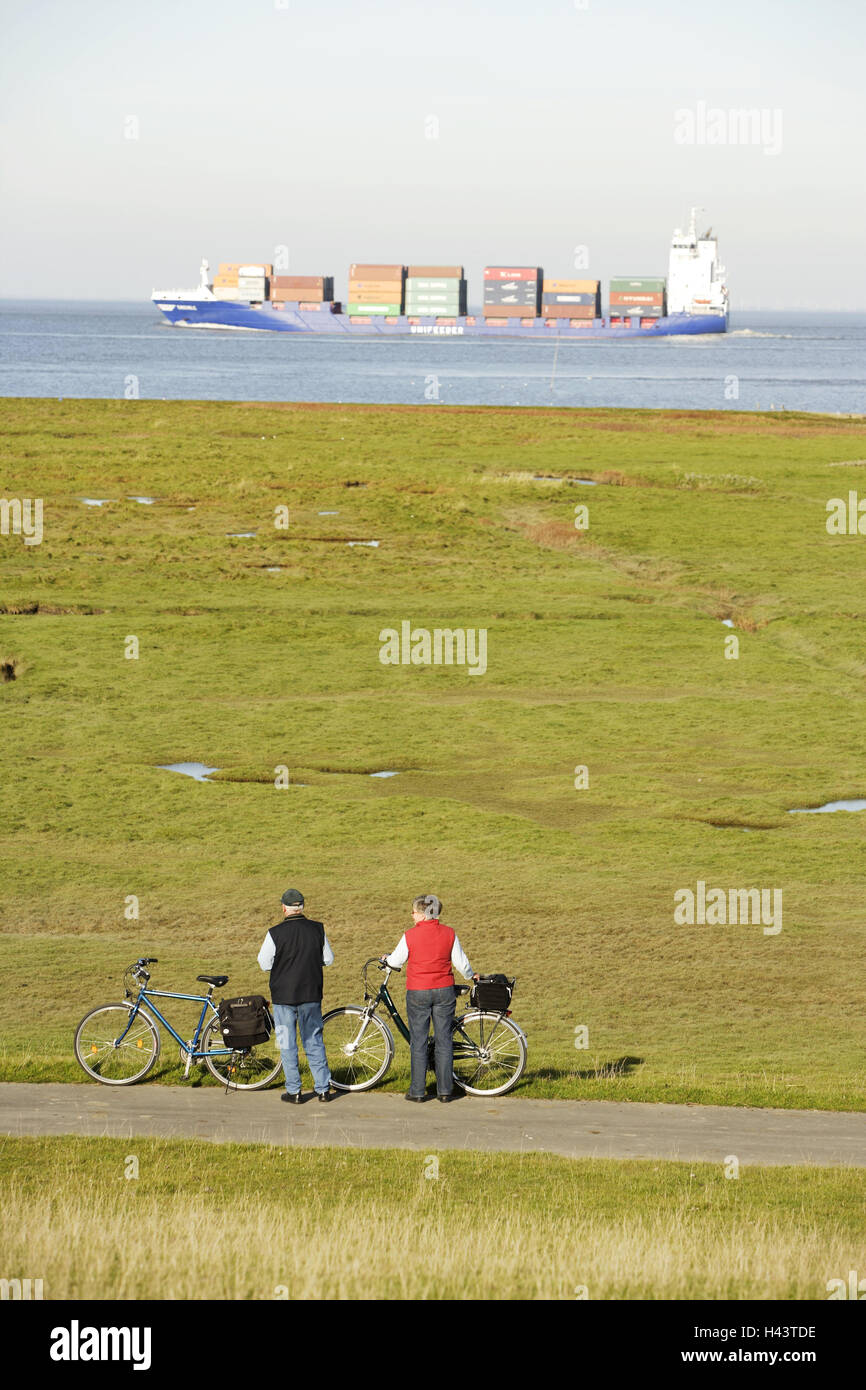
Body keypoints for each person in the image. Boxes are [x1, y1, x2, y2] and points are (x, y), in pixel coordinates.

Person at [382, 895, 478, 1103]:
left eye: (414, 912)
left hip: (418, 991)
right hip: (444, 990)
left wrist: (386, 960)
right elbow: (461, 963)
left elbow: (396, 961)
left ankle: (417, 1091)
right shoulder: (449, 933)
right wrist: (472, 976)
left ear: (423, 914)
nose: (412, 915)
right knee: (444, 1040)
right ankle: (445, 1091)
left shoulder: (410, 935)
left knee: (419, 1041)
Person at [258, 888, 335, 1103]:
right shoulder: (317, 929)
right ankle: (322, 1089)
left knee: (285, 1043)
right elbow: (328, 959)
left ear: (283, 908)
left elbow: (264, 963)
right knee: (314, 1041)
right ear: (302, 906)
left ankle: (294, 1091)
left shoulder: (275, 933)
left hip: (283, 997)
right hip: (311, 994)